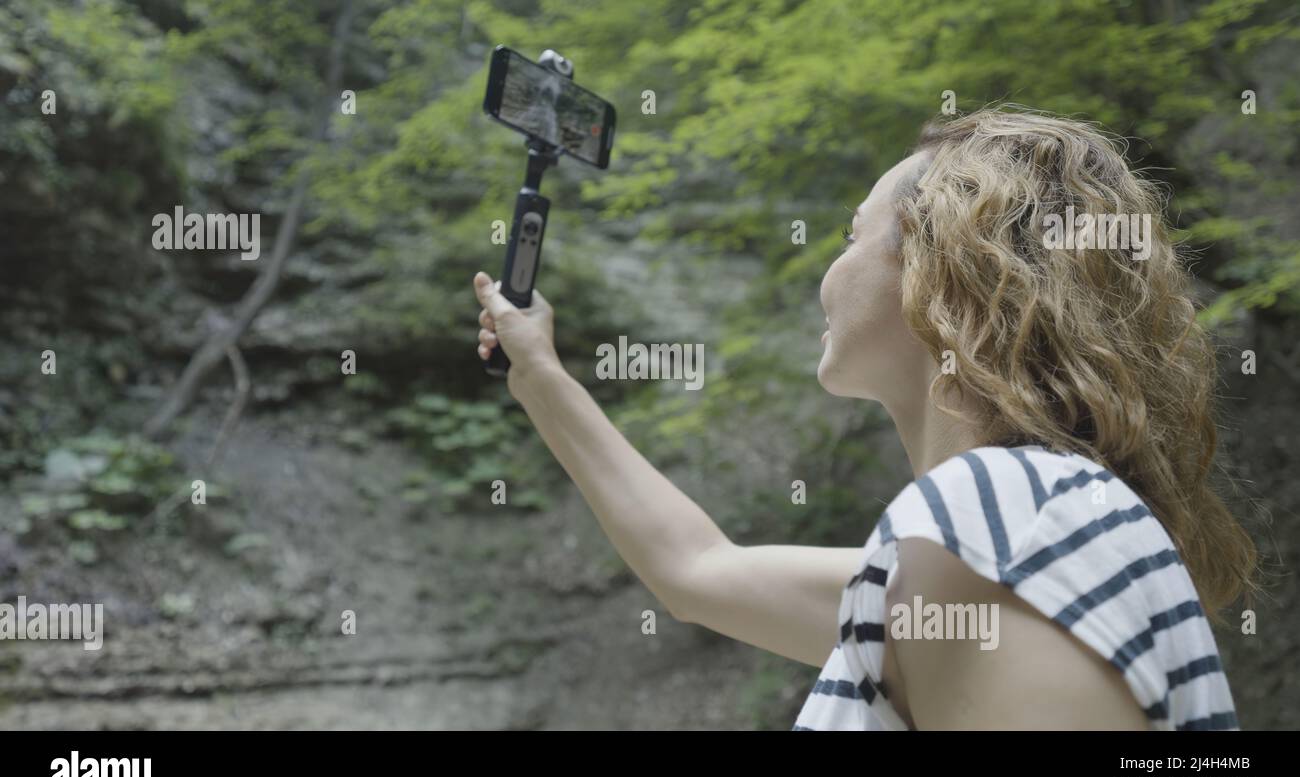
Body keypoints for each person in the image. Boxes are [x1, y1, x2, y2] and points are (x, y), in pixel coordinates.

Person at [471, 107, 1256, 730]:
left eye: (852, 235)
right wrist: (539, 372)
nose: (829, 270)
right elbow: (695, 571)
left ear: (943, 263)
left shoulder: (1008, 513)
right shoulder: (993, 543)